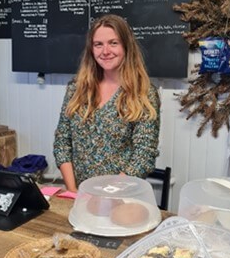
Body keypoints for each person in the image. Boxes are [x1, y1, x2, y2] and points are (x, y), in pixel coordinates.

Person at [53, 14, 160, 192]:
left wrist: (106, 196)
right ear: (91, 49)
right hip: (81, 197)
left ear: (126, 46)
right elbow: (62, 142)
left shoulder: (143, 93)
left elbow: (143, 155)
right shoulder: (77, 89)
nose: (105, 51)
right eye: (98, 44)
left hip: (121, 199)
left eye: (113, 43)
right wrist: (73, 193)